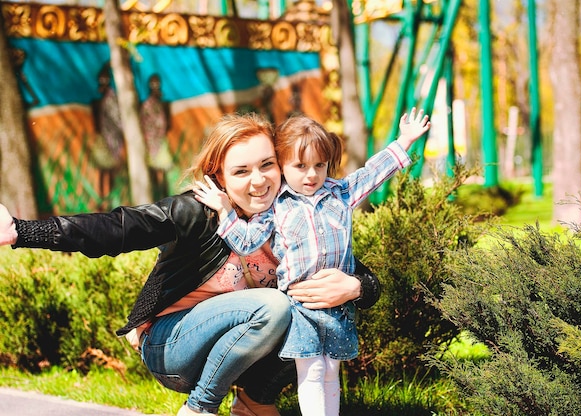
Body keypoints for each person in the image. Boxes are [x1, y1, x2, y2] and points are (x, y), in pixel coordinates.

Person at [0, 112, 381, 416]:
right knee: (277, 304)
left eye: (267, 165)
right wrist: (21, 231)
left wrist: (359, 287)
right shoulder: (193, 212)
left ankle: (253, 400)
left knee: (314, 309)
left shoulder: (293, 213)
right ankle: (200, 406)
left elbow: (343, 264)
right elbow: (117, 228)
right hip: (174, 346)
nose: (259, 181)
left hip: (243, 346)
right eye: (241, 171)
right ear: (218, 177)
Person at [193, 107, 431, 415]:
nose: (311, 174)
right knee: (312, 371)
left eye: (320, 165)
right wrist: (225, 213)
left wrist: (405, 140)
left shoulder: (340, 193)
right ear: (282, 164)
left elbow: (373, 172)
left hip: (338, 306)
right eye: (300, 165)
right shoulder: (277, 206)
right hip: (300, 307)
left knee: (331, 370)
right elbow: (247, 240)